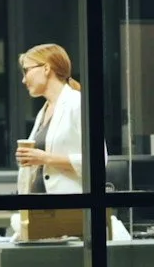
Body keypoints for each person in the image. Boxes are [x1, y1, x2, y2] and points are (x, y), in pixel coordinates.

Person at [13, 43, 129, 241]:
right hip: (43, 217)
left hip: (71, 217)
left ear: (47, 68)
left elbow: (97, 160)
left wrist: (46, 158)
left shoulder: (77, 103)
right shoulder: (45, 110)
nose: (24, 80)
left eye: (26, 71)